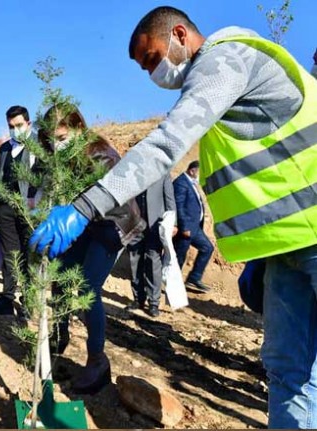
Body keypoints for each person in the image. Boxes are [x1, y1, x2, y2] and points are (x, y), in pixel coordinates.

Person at [30, 7, 316, 428]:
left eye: (152, 58)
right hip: (286, 243)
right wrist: (263, 254)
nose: (153, 74)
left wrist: (82, 208)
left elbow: (165, 146)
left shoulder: (226, 60)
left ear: (179, 34)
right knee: (286, 370)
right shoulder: (222, 92)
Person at [40, 104, 145, 394]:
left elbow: (111, 194)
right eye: (52, 139)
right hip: (87, 222)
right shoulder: (62, 156)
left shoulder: (100, 153)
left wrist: (74, 213)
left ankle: (97, 360)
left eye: (61, 138)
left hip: (114, 223)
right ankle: (58, 335)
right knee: (59, 267)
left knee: (88, 287)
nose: (56, 145)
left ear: (77, 129)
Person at [0, 106, 40, 315]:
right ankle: (7, 297)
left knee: (28, 255)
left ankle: (28, 300)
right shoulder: (5, 148)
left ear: (28, 124)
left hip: (29, 211)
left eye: (19, 125)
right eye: (11, 126)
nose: (15, 130)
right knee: (10, 255)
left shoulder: (38, 148)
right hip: (6, 210)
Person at [126, 174, 176, 316]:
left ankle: (154, 302)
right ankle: (138, 299)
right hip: (135, 223)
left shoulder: (163, 173)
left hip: (155, 225)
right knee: (135, 260)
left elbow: (169, 199)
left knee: (153, 261)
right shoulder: (132, 170)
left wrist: (174, 223)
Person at [173, 161, 213, 293]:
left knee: (207, 248)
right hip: (186, 228)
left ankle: (194, 278)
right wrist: (184, 227)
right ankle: (170, 283)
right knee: (179, 255)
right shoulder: (181, 183)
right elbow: (178, 206)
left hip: (195, 228)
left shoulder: (192, 183)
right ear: (192, 170)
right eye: (200, 172)